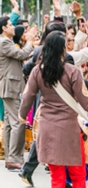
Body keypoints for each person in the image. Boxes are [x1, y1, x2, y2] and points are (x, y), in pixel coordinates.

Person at [18, 31, 88, 188]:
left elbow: (27, 98)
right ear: (63, 49)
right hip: (70, 131)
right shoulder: (73, 71)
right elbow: (87, 103)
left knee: (56, 176)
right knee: (78, 175)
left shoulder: (37, 71)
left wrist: (22, 115)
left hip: (47, 129)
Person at [0, 16, 37, 170]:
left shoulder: (5, 42)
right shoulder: (4, 42)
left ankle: (10, 158)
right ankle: (14, 158)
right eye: (10, 25)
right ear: (3, 28)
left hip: (10, 86)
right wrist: (29, 42)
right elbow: (22, 54)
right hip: (11, 86)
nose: (13, 27)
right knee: (17, 122)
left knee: (10, 122)